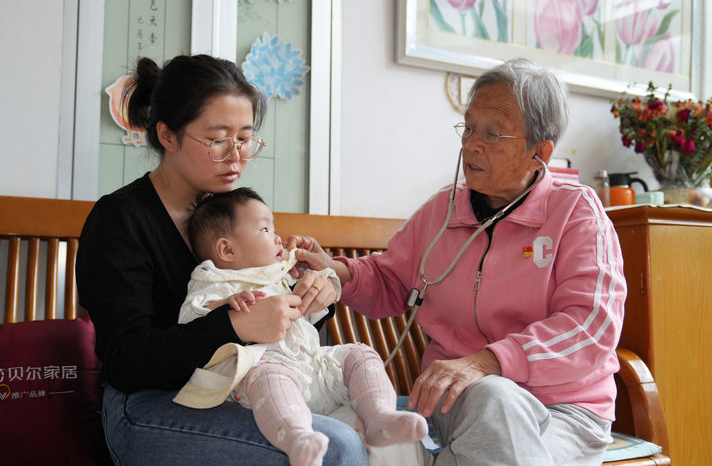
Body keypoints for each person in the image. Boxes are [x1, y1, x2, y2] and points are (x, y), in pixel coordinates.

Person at [290, 58, 627, 466]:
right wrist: (335, 271)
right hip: (456, 406)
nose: (471, 145)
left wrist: (489, 362)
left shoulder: (576, 213)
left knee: (494, 400)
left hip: (562, 412)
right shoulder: (444, 211)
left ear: (539, 152)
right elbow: (390, 279)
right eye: (468, 128)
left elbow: (590, 326)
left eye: (492, 134)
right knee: (353, 426)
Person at [76, 54, 368, 465]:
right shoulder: (121, 219)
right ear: (167, 135)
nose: (236, 156)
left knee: (368, 422)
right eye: (218, 140)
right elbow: (127, 360)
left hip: (243, 390)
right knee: (338, 445)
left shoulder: (232, 215)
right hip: (147, 404)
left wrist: (310, 297)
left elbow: (284, 342)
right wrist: (234, 325)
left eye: (245, 138)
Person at [175, 187, 428, 466]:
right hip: (269, 380)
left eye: (274, 229)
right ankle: (298, 438)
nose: (277, 237)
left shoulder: (282, 275)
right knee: (268, 374)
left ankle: (380, 416)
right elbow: (190, 320)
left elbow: (315, 307)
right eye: (265, 229)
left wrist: (320, 283)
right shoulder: (214, 280)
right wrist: (224, 306)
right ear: (227, 249)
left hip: (313, 369)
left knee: (359, 354)